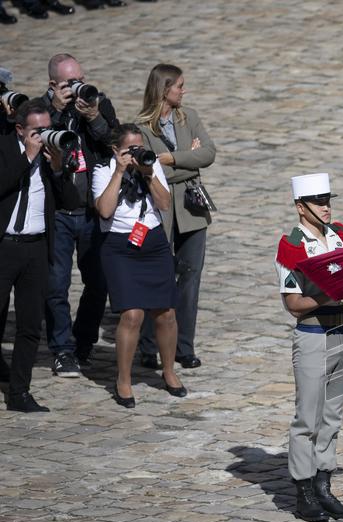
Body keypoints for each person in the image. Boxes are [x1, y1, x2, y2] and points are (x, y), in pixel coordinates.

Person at [274, 173, 343, 522]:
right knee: (307, 416)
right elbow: (293, 304)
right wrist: (329, 295)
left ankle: (324, 483)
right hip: (313, 334)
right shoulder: (292, 246)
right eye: (319, 202)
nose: (326, 207)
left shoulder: (340, 236)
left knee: (333, 415)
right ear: (300, 207)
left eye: (328, 201)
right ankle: (304, 490)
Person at [93, 123, 184, 408]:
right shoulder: (103, 169)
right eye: (130, 149)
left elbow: (165, 203)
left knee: (166, 312)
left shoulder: (150, 164)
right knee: (132, 314)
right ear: (115, 150)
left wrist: (148, 175)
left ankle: (168, 371)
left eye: (139, 147)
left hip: (153, 242)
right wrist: (120, 172)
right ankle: (123, 379)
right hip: (119, 247)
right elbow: (105, 210)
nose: (136, 153)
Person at [136, 63, 216, 371]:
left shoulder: (189, 117)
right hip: (161, 208)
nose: (184, 91)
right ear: (163, 89)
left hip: (192, 207)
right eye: (179, 86)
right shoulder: (142, 127)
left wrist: (171, 159)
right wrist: (187, 161)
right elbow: (149, 170)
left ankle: (184, 346)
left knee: (190, 279)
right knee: (157, 277)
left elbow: (207, 154)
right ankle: (148, 345)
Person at [1, 98, 80, 411]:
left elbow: (71, 202)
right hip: (4, 246)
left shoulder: (51, 158)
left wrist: (59, 170)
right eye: (37, 131)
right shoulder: (5, 149)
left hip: (35, 249)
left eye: (48, 129)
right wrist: (27, 158)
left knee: (31, 326)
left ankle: (19, 392)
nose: (44, 136)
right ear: (20, 130)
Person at [43, 53, 119, 378]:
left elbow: (113, 142)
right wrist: (57, 112)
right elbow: (33, 143)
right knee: (56, 286)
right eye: (69, 83)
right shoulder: (39, 110)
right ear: (52, 85)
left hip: (90, 210)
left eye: (80, 80)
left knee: (98, 283)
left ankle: (83, 344)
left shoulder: (98, 104)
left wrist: (93, 117)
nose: (77, 88)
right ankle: (62, 351)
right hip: (57, 210)